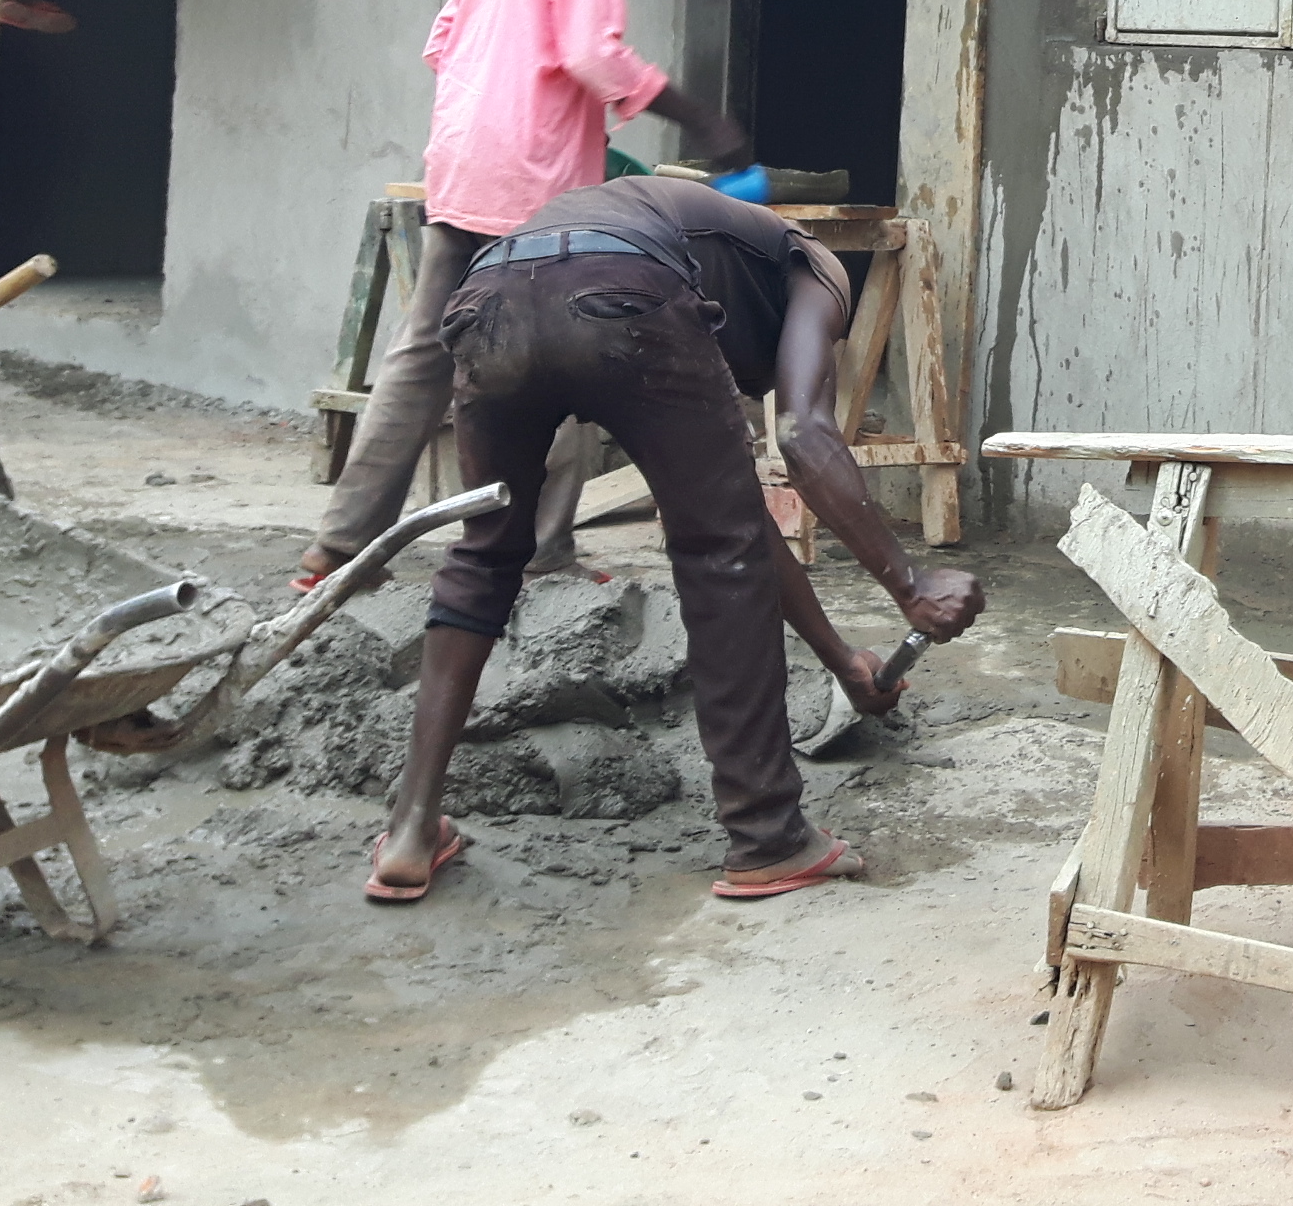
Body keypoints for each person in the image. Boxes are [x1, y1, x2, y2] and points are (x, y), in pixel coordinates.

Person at [361, 170, 987, 903]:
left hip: (489, 292)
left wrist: (843, 661)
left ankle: (409, 831)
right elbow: (804, 435)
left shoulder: (693, 246)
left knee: (486, 552)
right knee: (716, 559)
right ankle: (767, 837)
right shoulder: (815, 265)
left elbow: (742, 518)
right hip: (619, 289)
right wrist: (910, 586)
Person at [297, 0, 752, 591]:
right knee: (565, 343)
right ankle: (543, 552)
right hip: (534, 173)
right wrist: (695, 117)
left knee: (424, 354)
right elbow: (589, 52)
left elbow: (443, 42)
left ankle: (339, 546)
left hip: (464, 160)